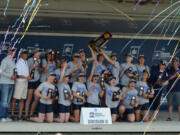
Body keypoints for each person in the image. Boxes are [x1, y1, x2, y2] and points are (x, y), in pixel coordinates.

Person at [30, 49, 56, 117]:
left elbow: (53, 73)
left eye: (52, 54)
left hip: (50, 83)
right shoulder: (43, 60)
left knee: (50, 98)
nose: (51, 55)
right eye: (50, 54)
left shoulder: (54, 62)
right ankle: (31, 114)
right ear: (47, 54)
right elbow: (44, 70)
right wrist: (48, 63)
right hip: (42, 82)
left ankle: (47, 115)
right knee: (36, 99)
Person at [11, 49, 31, 121]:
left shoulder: (26, 62)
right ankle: (12, 114)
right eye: (24, 54)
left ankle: (19, 115)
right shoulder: (19, 63)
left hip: (25, 82)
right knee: (15, 98)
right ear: (20, 55)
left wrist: (28, 77)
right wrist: (26, 77)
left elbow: (26, 72)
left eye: (26, 54)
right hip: (19, 82)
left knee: (22, 99)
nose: (26, 55)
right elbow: (17, 75)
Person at [0, 48, 16, 122]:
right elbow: (0, 71)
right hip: (5, 83)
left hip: (11, 83)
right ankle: (2, 116)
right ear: (9, 51)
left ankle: (5, 116)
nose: (13, 52)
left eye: (14, 51)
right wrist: (10, 76)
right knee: (4, 101)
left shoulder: (13, 61)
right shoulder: (5, 60)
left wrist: (14, 76)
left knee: (8, 101)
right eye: (12, 51)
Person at [25, 49, 41, 120]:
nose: (39, 54)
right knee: (29, 98)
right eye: (38, 52)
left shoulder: (39, 60)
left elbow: (39, 71)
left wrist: (40, 69)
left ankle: (31, 114)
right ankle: (26, 114)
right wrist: (32, 67)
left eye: (40, 53)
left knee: (36, 98)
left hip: (37, 80)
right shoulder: (29, 60)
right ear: (34, 53)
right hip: (31, 81)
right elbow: (26, 71)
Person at [167, 57, 180, 121]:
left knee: (179, 104)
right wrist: (175, 75)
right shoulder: (170, 69)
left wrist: (178, 75)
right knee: (170, 104)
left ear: (178, 62)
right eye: (173, 61)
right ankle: (170, 117)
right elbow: (169, 78)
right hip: (170, 89)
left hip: (178, 90)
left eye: (176, 61)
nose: (174, 62)